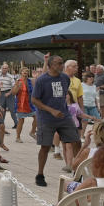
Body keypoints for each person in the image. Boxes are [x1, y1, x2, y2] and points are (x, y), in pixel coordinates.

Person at [32, 56, 80, 187]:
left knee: (76, 141)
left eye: (62, 63)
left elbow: (64, 94)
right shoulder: (42, 80)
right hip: (46, 118)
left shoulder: (65, 78)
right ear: (51, 65)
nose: (62, 65)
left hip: (64, 116)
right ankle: (40, 174)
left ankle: (78, 173)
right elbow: (34, 100)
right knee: (45, 146)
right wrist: (51, 110)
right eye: (59, 63)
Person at [12, 66, 37, 142]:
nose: (25, 72)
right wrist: (17, 86)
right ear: (21, 72)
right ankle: (18, 137)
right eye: (24, 71)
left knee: (37, 117)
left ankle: (32, 132)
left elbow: (35, 90)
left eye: (27, 71)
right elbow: (13, 93)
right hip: (21, 104)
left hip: (29, 103)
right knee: (21, 121)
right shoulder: (18, 81)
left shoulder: (31, 81)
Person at [0, 63, 18, 130]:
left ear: (8, 69)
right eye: (3, 68)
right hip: (0, 93)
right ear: (1, 68)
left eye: (6, 68)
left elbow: (14, 86)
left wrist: (9, 93)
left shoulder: (10, 76)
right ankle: (1, 123)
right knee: (1, 109)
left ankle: (16, 123)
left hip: (9, 93)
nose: (4, 69)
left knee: (12, 109)